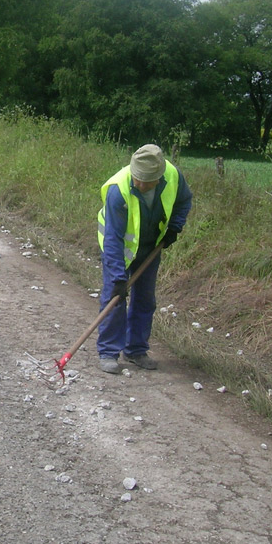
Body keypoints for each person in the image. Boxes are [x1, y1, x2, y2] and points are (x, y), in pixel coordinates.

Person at [96, 143, 192, 373]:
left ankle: (136, 349)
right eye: (137, 178)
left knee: (145, 299)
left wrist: (174, 228)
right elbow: (113, 239)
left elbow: (184, 201)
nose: (139, 183)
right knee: (115, 298)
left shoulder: (173, 177)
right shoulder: (118, 190)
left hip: (150, 248)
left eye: (145, 181)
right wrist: (119, 278)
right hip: (119, 249)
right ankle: (108, 352)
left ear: (158, 178)